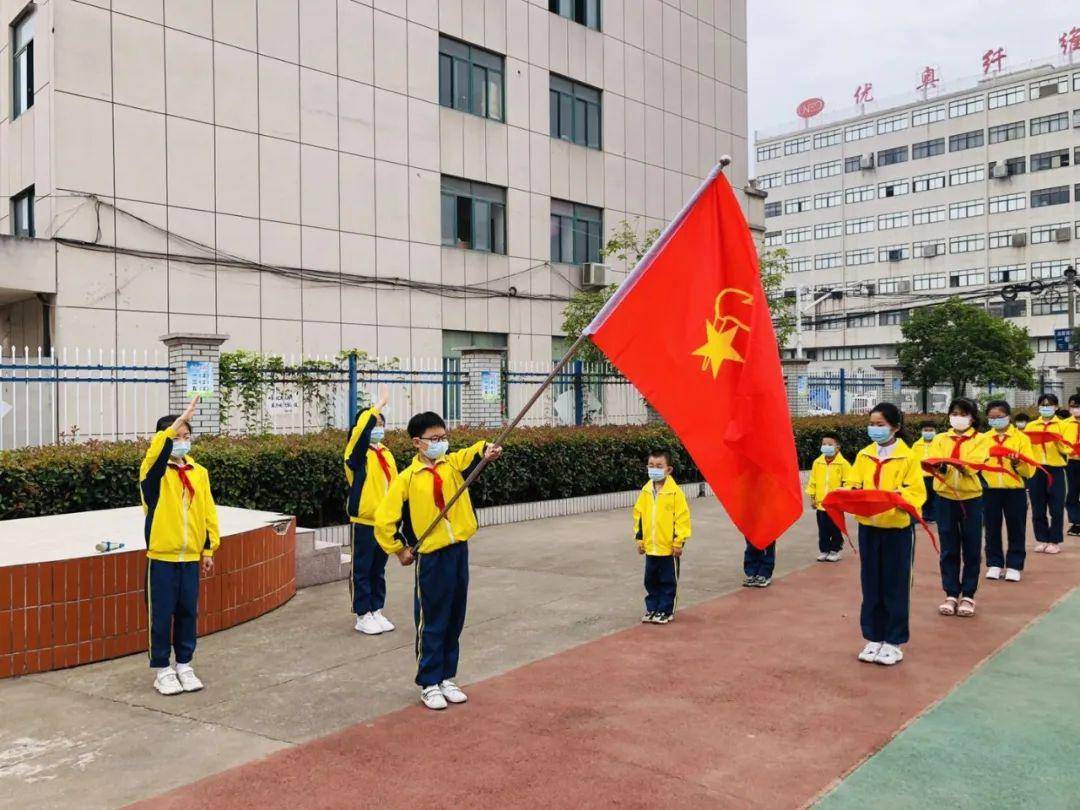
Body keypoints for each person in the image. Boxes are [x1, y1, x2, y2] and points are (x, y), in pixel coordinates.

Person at [374, 412, 502, 711]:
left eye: (444, 438)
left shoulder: (452, 465)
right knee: (433, 619)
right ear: (417, 443)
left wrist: (487, 449)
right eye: (434, 439)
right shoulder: (407, 479)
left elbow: (474, 453)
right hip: (431, 556)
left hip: (459, 550)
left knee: (456, 615)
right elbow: (385, 519)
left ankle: (447, 676)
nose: (441, 444)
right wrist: (398, 549)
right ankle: (429, 681)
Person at [138, 396, 220, 696]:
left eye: (187, 437)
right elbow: (154, 455)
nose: (182, 442)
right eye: (177, 437)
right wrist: (173, 426)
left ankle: (184, 664)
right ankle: (162, 669)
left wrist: (208, 549)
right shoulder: (153, 475)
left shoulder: (199, 473)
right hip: (162, 557)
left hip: (189, 558)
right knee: (160, 616)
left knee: (188, 612)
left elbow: (207, 511)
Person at [847, 402, 926, 666]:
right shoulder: (863, 455)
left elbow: (916, 493)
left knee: (896, 584)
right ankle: (873, 637)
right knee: (871, 584)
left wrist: (894, 498)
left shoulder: (909, 457)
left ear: (896, 427)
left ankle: (893, 641)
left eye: (880, 425)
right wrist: (850, 494)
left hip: (897, 529)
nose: (875, 429)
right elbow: (852, 483)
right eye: (871, 424)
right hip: (869, 527)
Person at [343, 385, 397, 635]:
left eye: (381, 424)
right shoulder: (356, 456)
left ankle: (376, 609)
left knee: (379, 568)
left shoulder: (386, 454)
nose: (378, 429)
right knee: (362, 569)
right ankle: (362, 613)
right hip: (364, 521)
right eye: (374, 425)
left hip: (384, 523)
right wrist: (379, 404)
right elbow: (360, 432)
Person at [928, 398, 987, 618]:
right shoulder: (941, 438)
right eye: (954, 413)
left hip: (970, 498)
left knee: (971, 547)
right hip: (945, 498)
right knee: (948, 547)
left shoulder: (981, 440)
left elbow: (975, 465)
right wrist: (939, 468)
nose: (958, 418)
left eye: (963, 414)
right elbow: (932, 462)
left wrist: (960, 467)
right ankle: (951, 593)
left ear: (972, 417)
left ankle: (969, 595)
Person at [633, 450, 692, 624]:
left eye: (659, 466)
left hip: (668, 549)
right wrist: (640, 540)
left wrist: (679, 541)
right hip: (651, 547)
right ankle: (652, 607)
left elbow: (682, 518)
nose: (654, 469)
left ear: (669, 470)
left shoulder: (675, 493)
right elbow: (639, 517)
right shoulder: (646, 491)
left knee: (667, 580)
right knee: (650, 580)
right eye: (651, 466)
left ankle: (666, 610)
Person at [981, 401, 1035, 583]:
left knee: (1016, 527)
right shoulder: (983, 439)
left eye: (999, 417)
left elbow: (1030, 470)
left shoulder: (1021, 439)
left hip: (1015, 490)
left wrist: (1017, 463)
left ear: (1008, 417)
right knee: (991, 527)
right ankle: (994, 563)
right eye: (991, 418)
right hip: (990, 490)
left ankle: (1014, 565)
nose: (995, 421)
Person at [1025, 393, 1068, 554]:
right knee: (1038, 506)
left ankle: (1054, 540)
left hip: (1055, 469)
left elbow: (1068, 449)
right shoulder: (1031, 426)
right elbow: (1025, 446)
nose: (1046, 407)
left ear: (1056, 407)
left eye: (1049, 405)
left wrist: (1056, 440)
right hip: (1036, 469)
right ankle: (1042, 538)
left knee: (1056, 506)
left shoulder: (1062, 425)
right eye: (1043, 405)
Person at [804, 431, 851, 561]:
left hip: (835, 505)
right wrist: (812, 497)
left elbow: (849, 482)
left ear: (837, 447)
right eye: (824, 444)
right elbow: (812, 481)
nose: (826, 446)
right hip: (821, 504)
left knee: (835, 528)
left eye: (830, 444)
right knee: (823, 529)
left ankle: (835, 550)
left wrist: (842, 495)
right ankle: (824, 550)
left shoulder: (843, 464)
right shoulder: (817, 463)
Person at [913, 421, 939, 523]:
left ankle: (933, 517)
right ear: (921, 431)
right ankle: (923, 516)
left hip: (935, 476)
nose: (928, 432)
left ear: (935, 431)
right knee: (924, 497)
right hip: (921, 476)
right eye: (925, 430)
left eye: (931, 430)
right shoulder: (916, 445)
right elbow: (913, 460)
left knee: (934, 498)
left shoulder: (939, 443)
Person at [1063, 394, 1080, 537]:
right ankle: (1076, 522)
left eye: (1078, 406)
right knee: (1072, 492)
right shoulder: (1064, 424)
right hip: (1072, 462)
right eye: (1072, 406)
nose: (1075, 409)